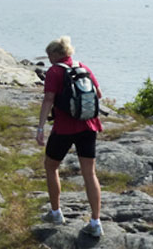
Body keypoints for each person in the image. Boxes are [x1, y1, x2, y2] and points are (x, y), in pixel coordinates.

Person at [36, 36, 104, 238]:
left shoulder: (55, 71)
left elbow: (48, 99)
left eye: (50, 55)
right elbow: (98, 94)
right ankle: (95, 221)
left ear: (57, 54)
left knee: (50, 166)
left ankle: (56, 212)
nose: (48, 59)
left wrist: (40, 128)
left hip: (65, 128)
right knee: (89, 173)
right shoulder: (82, 67)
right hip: (89, 125)